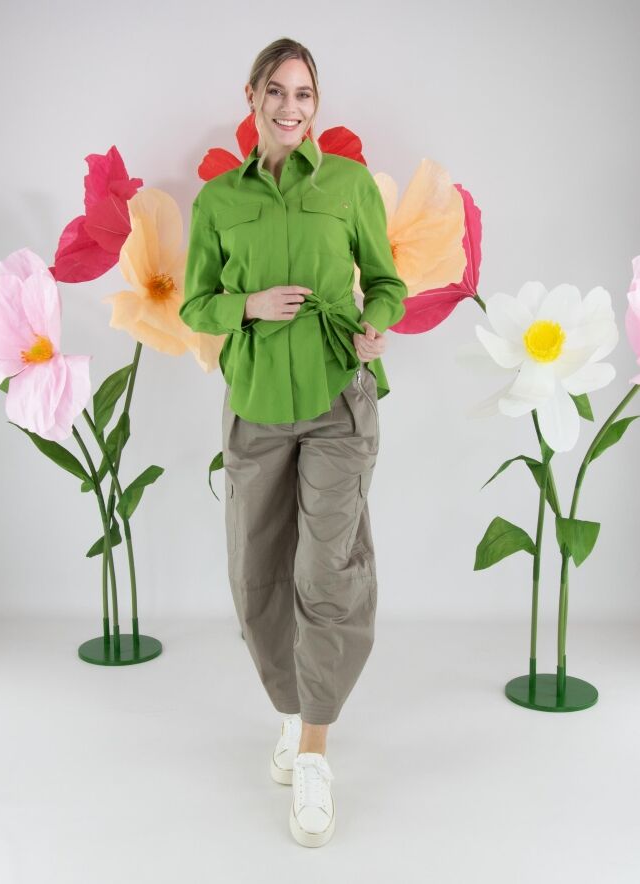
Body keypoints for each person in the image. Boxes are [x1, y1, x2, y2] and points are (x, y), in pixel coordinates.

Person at [180, 37, 407, 848]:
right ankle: (290, 709)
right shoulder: (217, 201)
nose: (289, 107)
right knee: (256, 574)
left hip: (337, 397)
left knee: (326, 570)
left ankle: (314, 747)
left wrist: (377, 326)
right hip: (255, 406)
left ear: (316, 105)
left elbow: (386, 284)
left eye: (303, 94)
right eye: (275, 91)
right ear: (251, 97)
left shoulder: (347, 185)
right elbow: (194, 305)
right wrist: (245, 305)